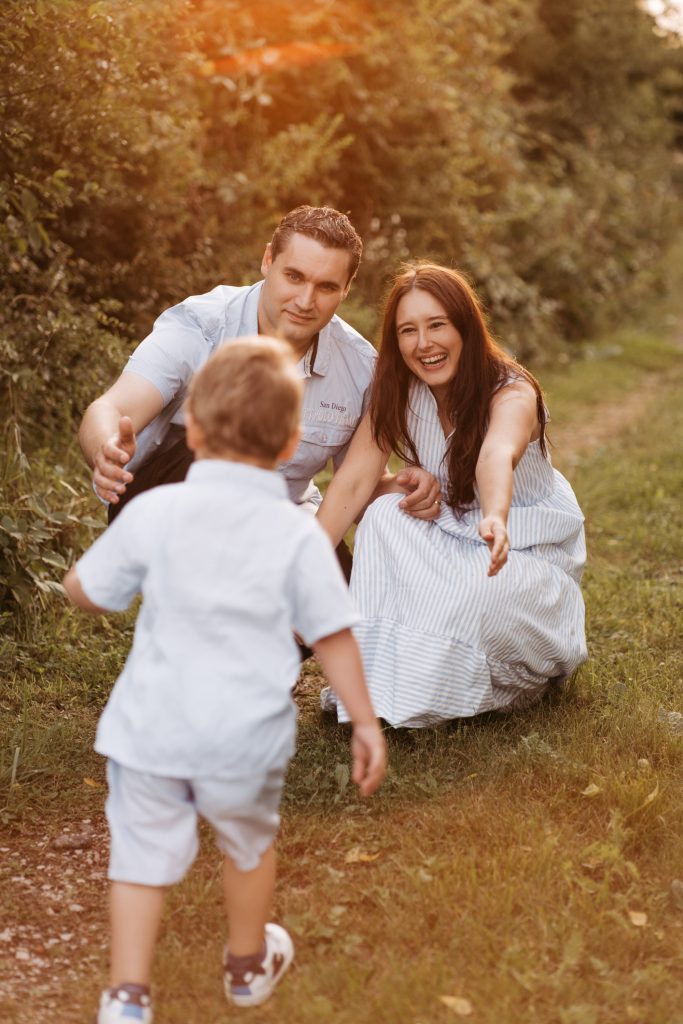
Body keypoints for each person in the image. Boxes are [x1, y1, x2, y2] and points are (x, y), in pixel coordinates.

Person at [63, 336, 387, 1022]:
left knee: (141, 859)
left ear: (195, 431)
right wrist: (364, 720)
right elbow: (331, 633)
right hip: (245, 736)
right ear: (291, 442)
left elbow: (88, 590)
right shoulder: (297, 537)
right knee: (246, 845)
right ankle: (245, 967)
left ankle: (127, 996)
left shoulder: (156, 512)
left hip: (151, 729)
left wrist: (80, 585)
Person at [77, 205, 440, 569]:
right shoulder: (201, 326)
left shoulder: (360, 368)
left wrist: (402, 491)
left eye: (326, 287)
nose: (305, 301)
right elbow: (111, 409)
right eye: (294, 277)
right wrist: (106, 449)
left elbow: (357, 488)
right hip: (165, 501)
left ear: (346, 289)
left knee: (343, 597)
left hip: (282, 518)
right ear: (268, 260)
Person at [316, 263, 587, 728]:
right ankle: (384, 683)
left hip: (521, 556)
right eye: (408, 330)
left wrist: (495, 515)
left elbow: (496, 454)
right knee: (383, 514)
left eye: (437, 325)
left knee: (468, 597)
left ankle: (513, 681)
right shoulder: (398, 390)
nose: (424, 343)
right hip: (452, 540)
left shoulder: (512, 391)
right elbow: (355, 483)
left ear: (465, 326)